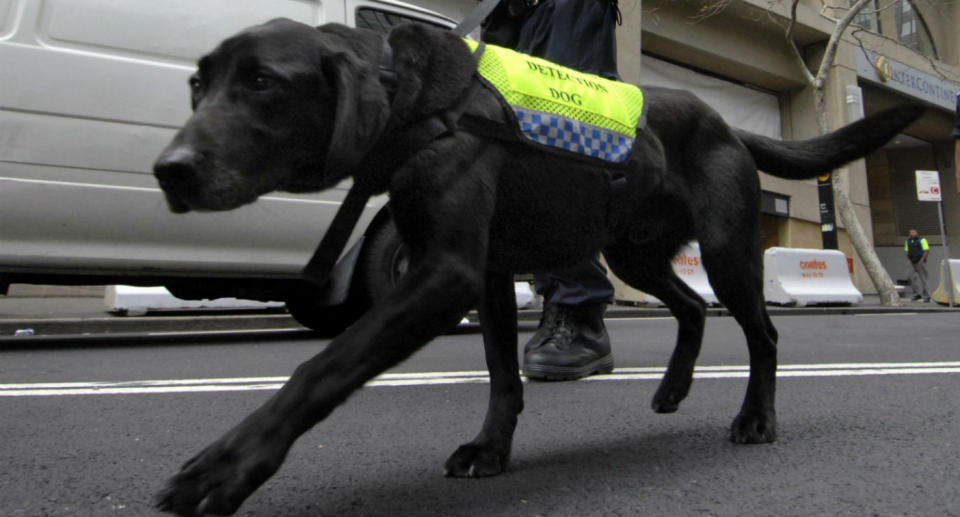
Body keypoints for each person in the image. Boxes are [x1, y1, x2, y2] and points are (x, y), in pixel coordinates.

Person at [481, 0, 621, 381]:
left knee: (562, 148)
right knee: (520, 153)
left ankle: (582, 315)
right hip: (524, 15)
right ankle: (559, 301)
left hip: (570, 8)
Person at [905, 229, 930, 302]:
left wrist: (922, 260)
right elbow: (907, 251)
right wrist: (909, 260)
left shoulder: (922, 240)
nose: (912, 233)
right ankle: (917, 294)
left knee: (924, 279)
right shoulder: (908, 241)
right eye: (910, 232)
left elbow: (926, 250)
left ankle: (927, 296)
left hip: (920, 260)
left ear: (917, 233)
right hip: (911, 261)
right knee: (910, 277)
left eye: (913, 232)